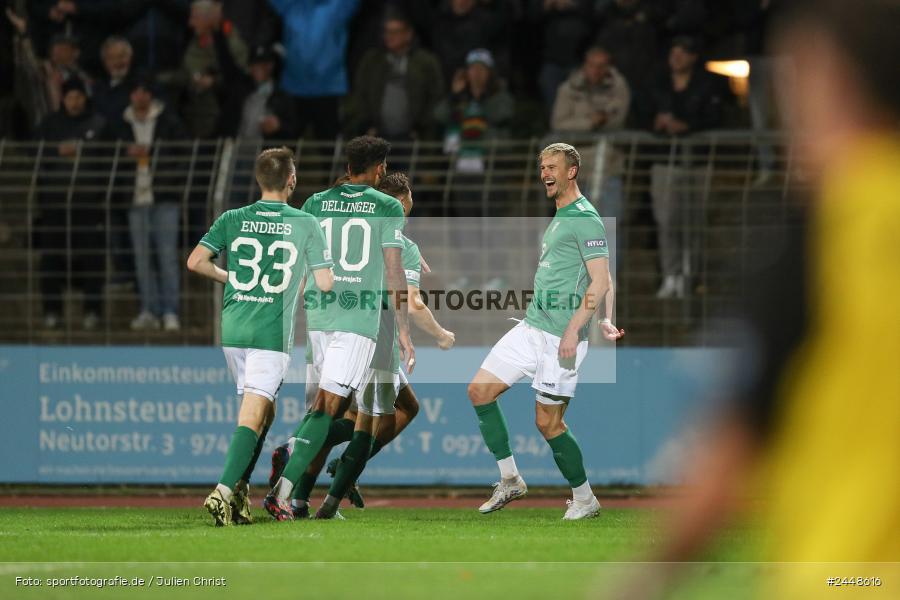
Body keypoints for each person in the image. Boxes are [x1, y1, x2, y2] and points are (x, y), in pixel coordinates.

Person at [625, 1, 900, 597]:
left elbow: (730, 449)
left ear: (833, 78)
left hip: (845, 576)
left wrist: (641, 581)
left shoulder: (831, 223)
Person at [270, 172, 456, 519]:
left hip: (327, 331)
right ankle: (329, 498)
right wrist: (441, 335)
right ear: (399, 202)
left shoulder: (337, 230)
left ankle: (300, 496)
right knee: (365, 423)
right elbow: (411, 300)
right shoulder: (399, 243)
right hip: (373, 337)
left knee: (357, 412)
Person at [466, 143, 624, 520]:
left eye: (552, 167)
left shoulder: (585, 217)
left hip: (560, 337)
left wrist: (576, 330)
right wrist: (606, 317)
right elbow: (604, 276)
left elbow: (599, 280)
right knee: (479, 391)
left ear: (572, 171)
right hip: (533, 326)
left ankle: (584, 498)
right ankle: (510, 480)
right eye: (541, 167)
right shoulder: (562, 214)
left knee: (548, 423)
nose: (545, 174)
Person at [263, 136, 414, 521]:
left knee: (326, 408)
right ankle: (287, 475)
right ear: (379, 168)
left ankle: (297, 499)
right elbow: (394, 271)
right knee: (333, 411)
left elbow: (301, 262)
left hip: (318, 318)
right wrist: (403, 329)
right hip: (358, 321)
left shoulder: (314, 203)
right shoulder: (386, 206)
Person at [187, 147, 334, 526]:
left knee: (265, 412)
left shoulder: (233, 217)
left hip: (234, 329)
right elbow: (324, 282)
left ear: (258, 179)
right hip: (270, 333)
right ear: (291, 180)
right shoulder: (305, 223)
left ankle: (238, 491)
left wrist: (229, 277)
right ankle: (221, 491)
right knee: (253, 414)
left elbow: (195, 261)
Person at [103, 75, 187, 331]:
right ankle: (148, 309)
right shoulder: (119, 124)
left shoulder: (168, 121)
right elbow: (108, 154)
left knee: (167, 257)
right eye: (136, 92)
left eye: (144, 91)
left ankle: (170, 311)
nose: (140, 96)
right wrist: (126, 154)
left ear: (151, 95)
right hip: (135, 198)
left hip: (163, 197)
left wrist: (155, 154)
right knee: (141, 259)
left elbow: (182, 154)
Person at [647, 36, 723, 299]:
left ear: (693, 57)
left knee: (694, 221)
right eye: (673, 51)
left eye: (683, 52)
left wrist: (687, 126)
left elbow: (715, 117)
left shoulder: (709, 83)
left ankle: (691, 276)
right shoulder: (657, 82)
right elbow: (640, 111)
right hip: (665, 160)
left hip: (698, 162)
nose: (676, 56)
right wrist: (656, 122)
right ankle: (671, 275)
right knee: (666, 220)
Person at [33, 77, 106, 330]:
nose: (74, 101)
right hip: (54, 205)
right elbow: (34, 153)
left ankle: (93, 311)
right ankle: (52, 311)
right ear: (63, 99)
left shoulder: (98, 124)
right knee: (51, 259)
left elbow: (106, 159)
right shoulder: (50, 125)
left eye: (78, 96)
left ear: (85, 98)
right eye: (70, 96)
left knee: (92, 260)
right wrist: (55, 152)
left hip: (88, 205)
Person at [268, 0, 361, 140]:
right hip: (293, 88)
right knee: (285, 148)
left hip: (328, 90)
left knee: (330, 148)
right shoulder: (291, 5)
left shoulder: (338, 5)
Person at [343, 14, 444, 141]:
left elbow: (435, 95)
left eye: (395, 32)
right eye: (387, 32)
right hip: (375, 136)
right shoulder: (371, 61)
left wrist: (421, 125)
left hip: (413, 137)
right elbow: (360, 93)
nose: (389, 36)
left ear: (408, 34)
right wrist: (367, 123)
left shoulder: (426, 62)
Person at [93, 36, 136, 125]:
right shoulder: (98, 87)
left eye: (121, 56)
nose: (117, 62)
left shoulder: (144, 84)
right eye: (111, 58)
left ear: (130, 57)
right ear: (104, 62)